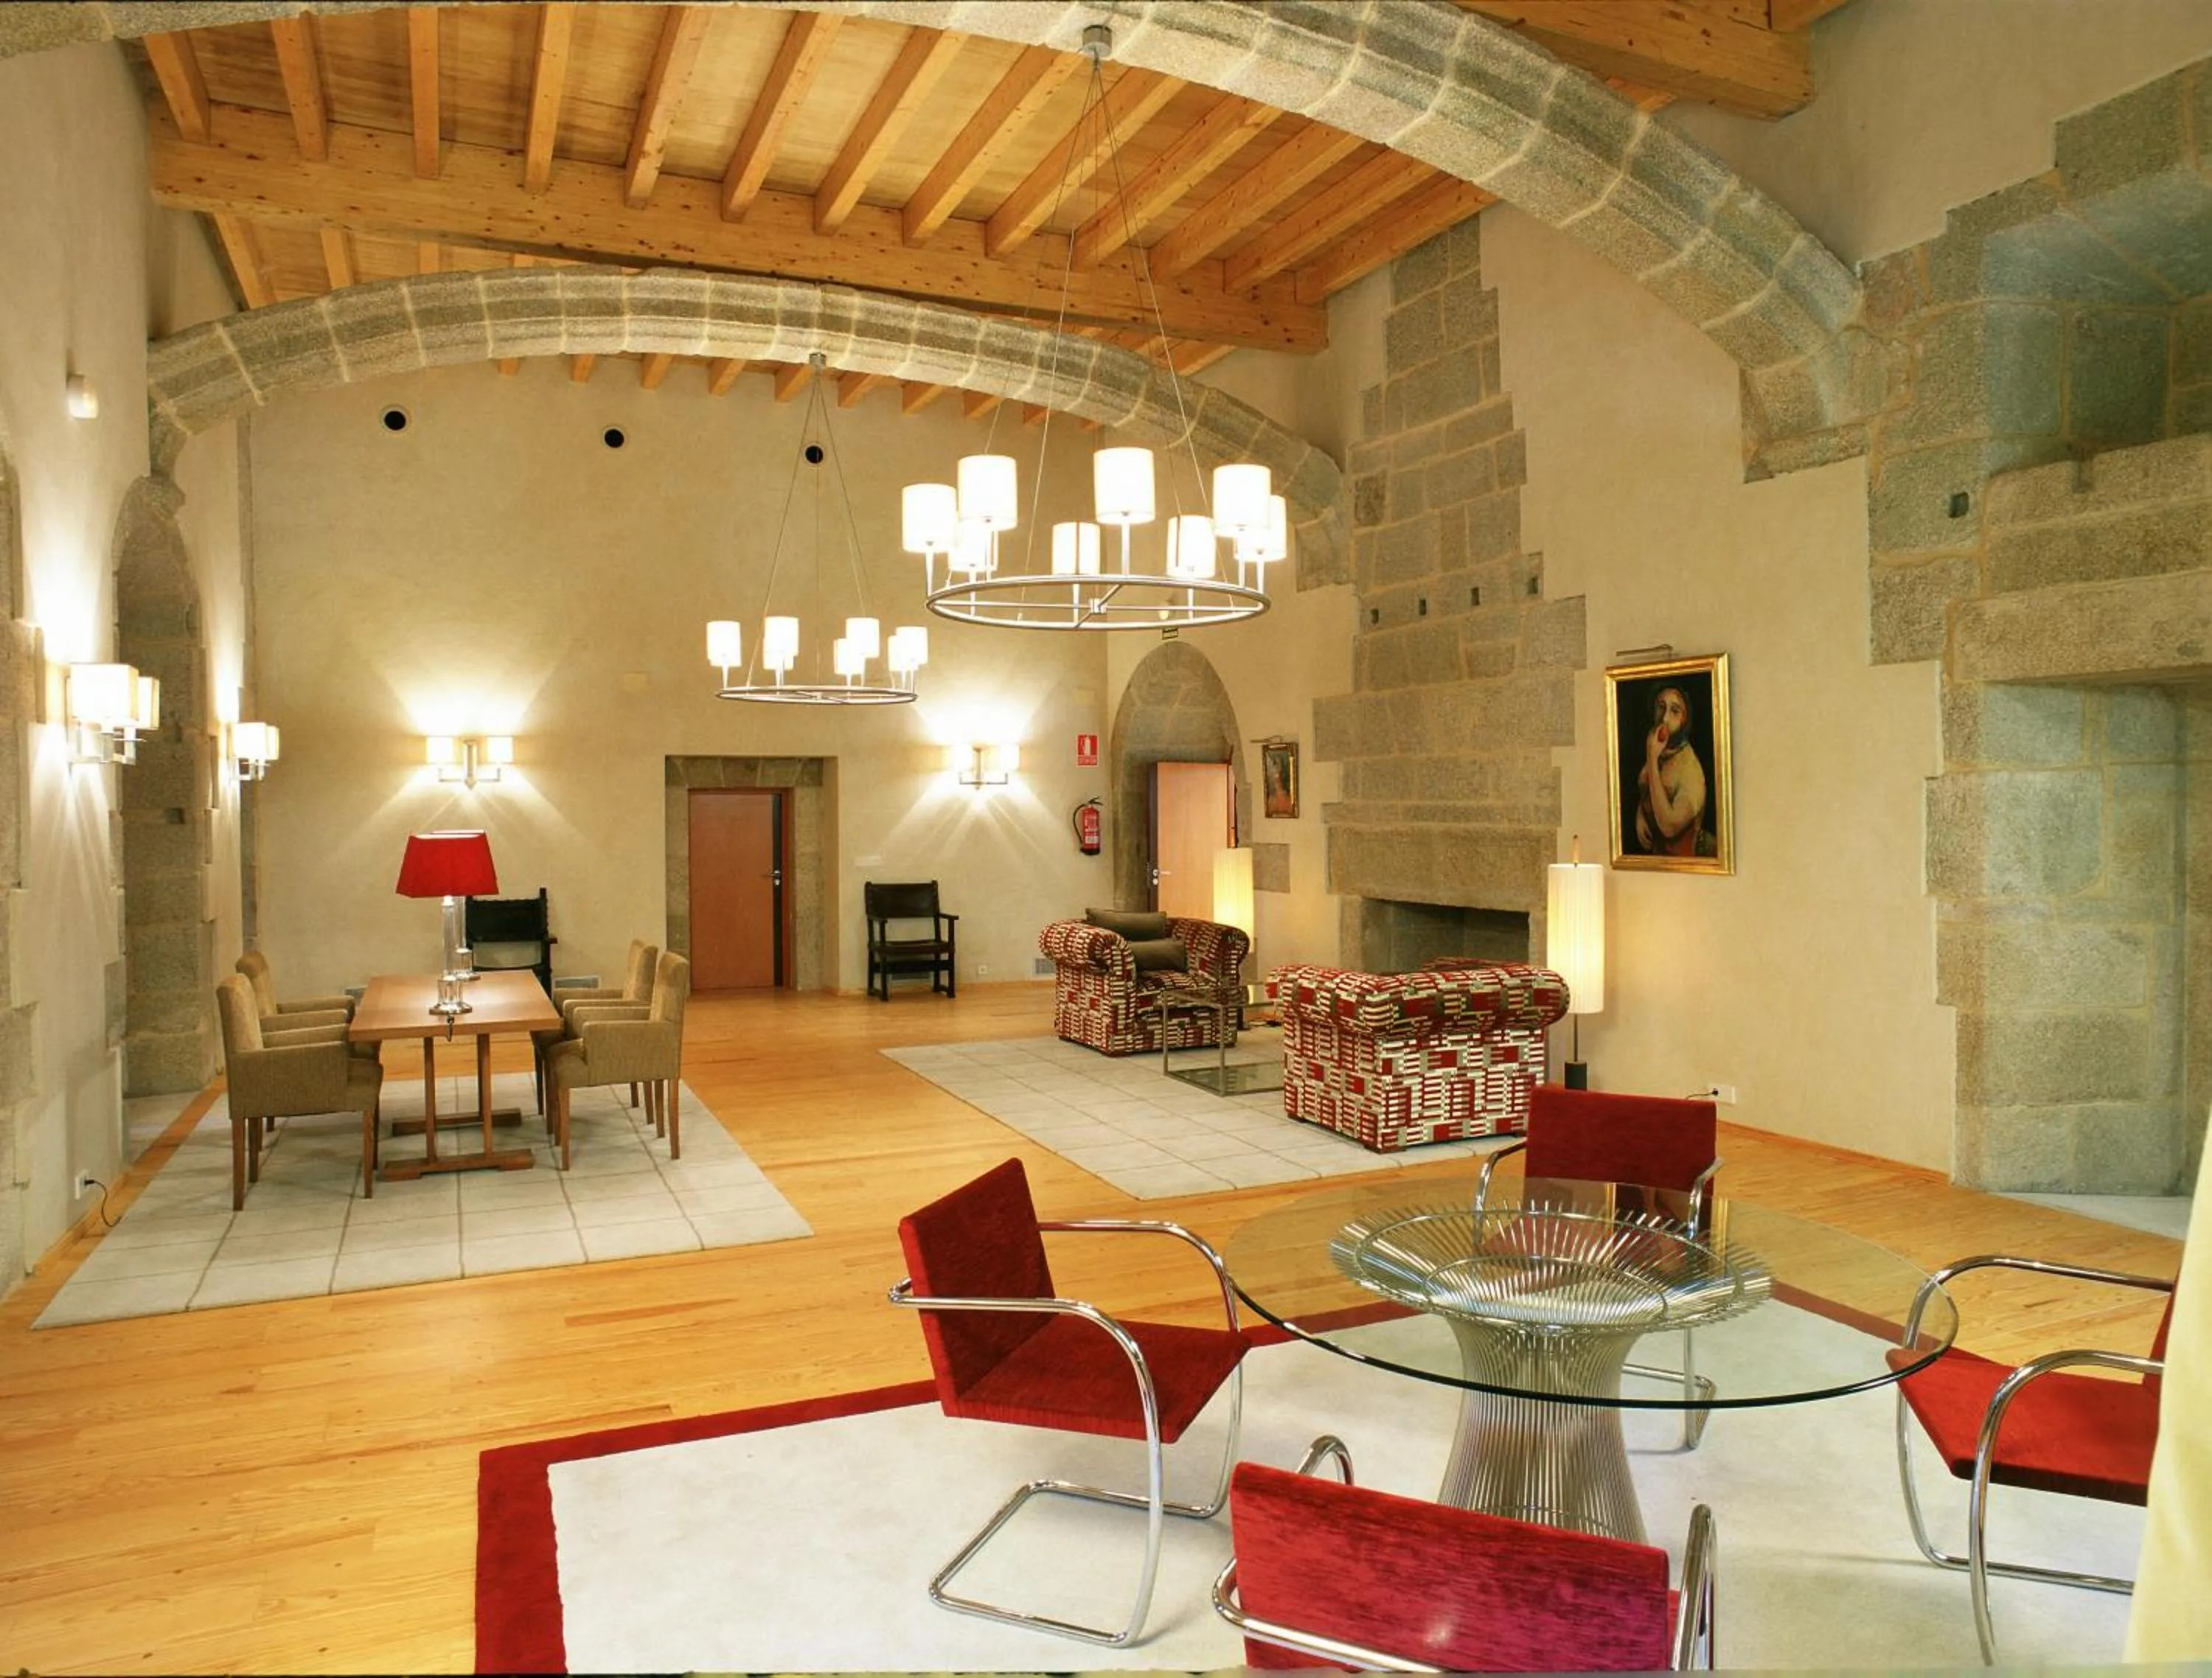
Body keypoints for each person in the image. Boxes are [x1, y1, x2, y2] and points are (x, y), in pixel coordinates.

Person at [1633, 685, 1707, 855]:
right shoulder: (1661, 750)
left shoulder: (1690, 770)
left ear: (1685, 720)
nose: (1664, 718)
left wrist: (1651, 759)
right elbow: (1647, 788)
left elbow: (1669, 827)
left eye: (1675, 711)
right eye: (1661, 707)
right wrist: (1641, 814)